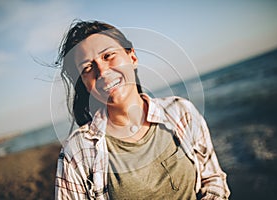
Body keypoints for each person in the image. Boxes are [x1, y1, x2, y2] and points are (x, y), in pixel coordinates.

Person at [54, 20, 230, 200]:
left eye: (108, 56)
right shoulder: (77, 151)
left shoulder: (180, 111)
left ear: (132, 57)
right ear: (83, 82)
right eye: (87, 68)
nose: (102, 71)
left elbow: (213, 179)